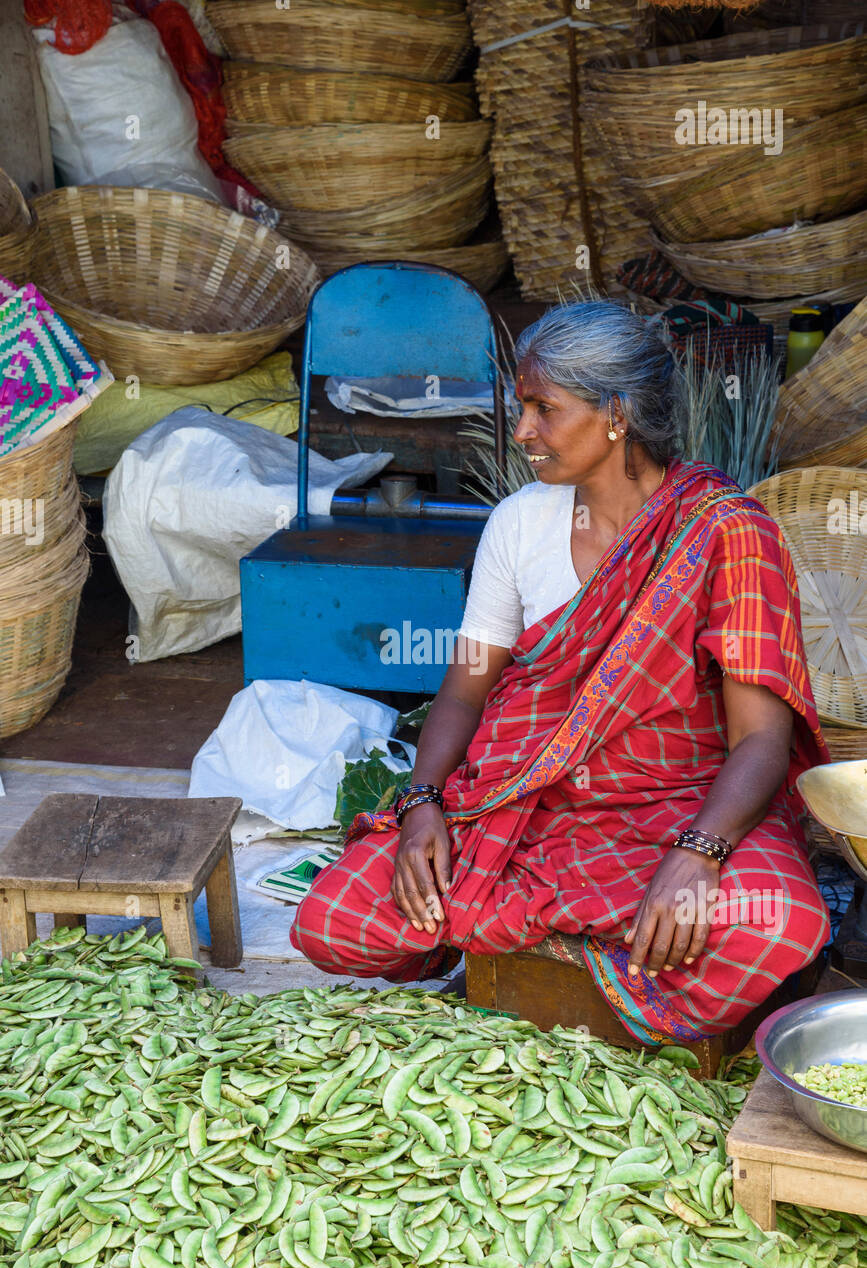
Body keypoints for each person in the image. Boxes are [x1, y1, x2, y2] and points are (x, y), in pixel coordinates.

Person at [291, 300, 829, 1042]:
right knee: (335, 917)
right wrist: (422, 804)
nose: (521, 431)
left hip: (684, 809)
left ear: (616, 413)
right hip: (528, 806)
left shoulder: (727, 533)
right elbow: (464, 688)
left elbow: (761, 741)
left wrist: (697, 855)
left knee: (777, 928)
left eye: (544, 408)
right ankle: (592, 950)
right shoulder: (520, 523)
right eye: (522, 407)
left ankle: (533, 950)